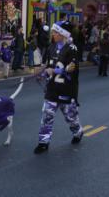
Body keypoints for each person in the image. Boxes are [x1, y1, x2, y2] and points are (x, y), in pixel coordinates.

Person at [34, 21, 83, 154]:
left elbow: (71, 68)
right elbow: (47, 65)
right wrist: (42, 73)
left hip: (67, 90)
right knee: (47, 116)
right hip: (52, 90)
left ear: (63, 34)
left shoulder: (72, 48)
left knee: (70, 117)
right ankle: (43, 142)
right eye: (53, 32)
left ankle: (78, 131)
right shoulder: (51, 47)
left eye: (56, 32)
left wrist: (54, 71)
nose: (53, 34)